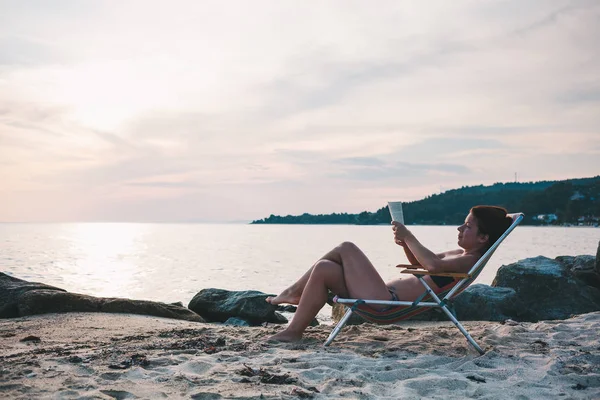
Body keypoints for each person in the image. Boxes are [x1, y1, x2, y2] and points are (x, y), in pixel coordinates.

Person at [266, 205, 513, 342]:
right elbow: (427, 263)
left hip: (386, 304)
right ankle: (294, 332)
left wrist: (409, 235)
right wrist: (406, 244)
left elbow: (434, 267)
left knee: (346, 248)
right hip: (383, 296)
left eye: (468, 226)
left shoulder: (468, 260)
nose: (460, 228)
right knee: (324, 268)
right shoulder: (457, 254)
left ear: (483, 238)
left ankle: (293, 293)